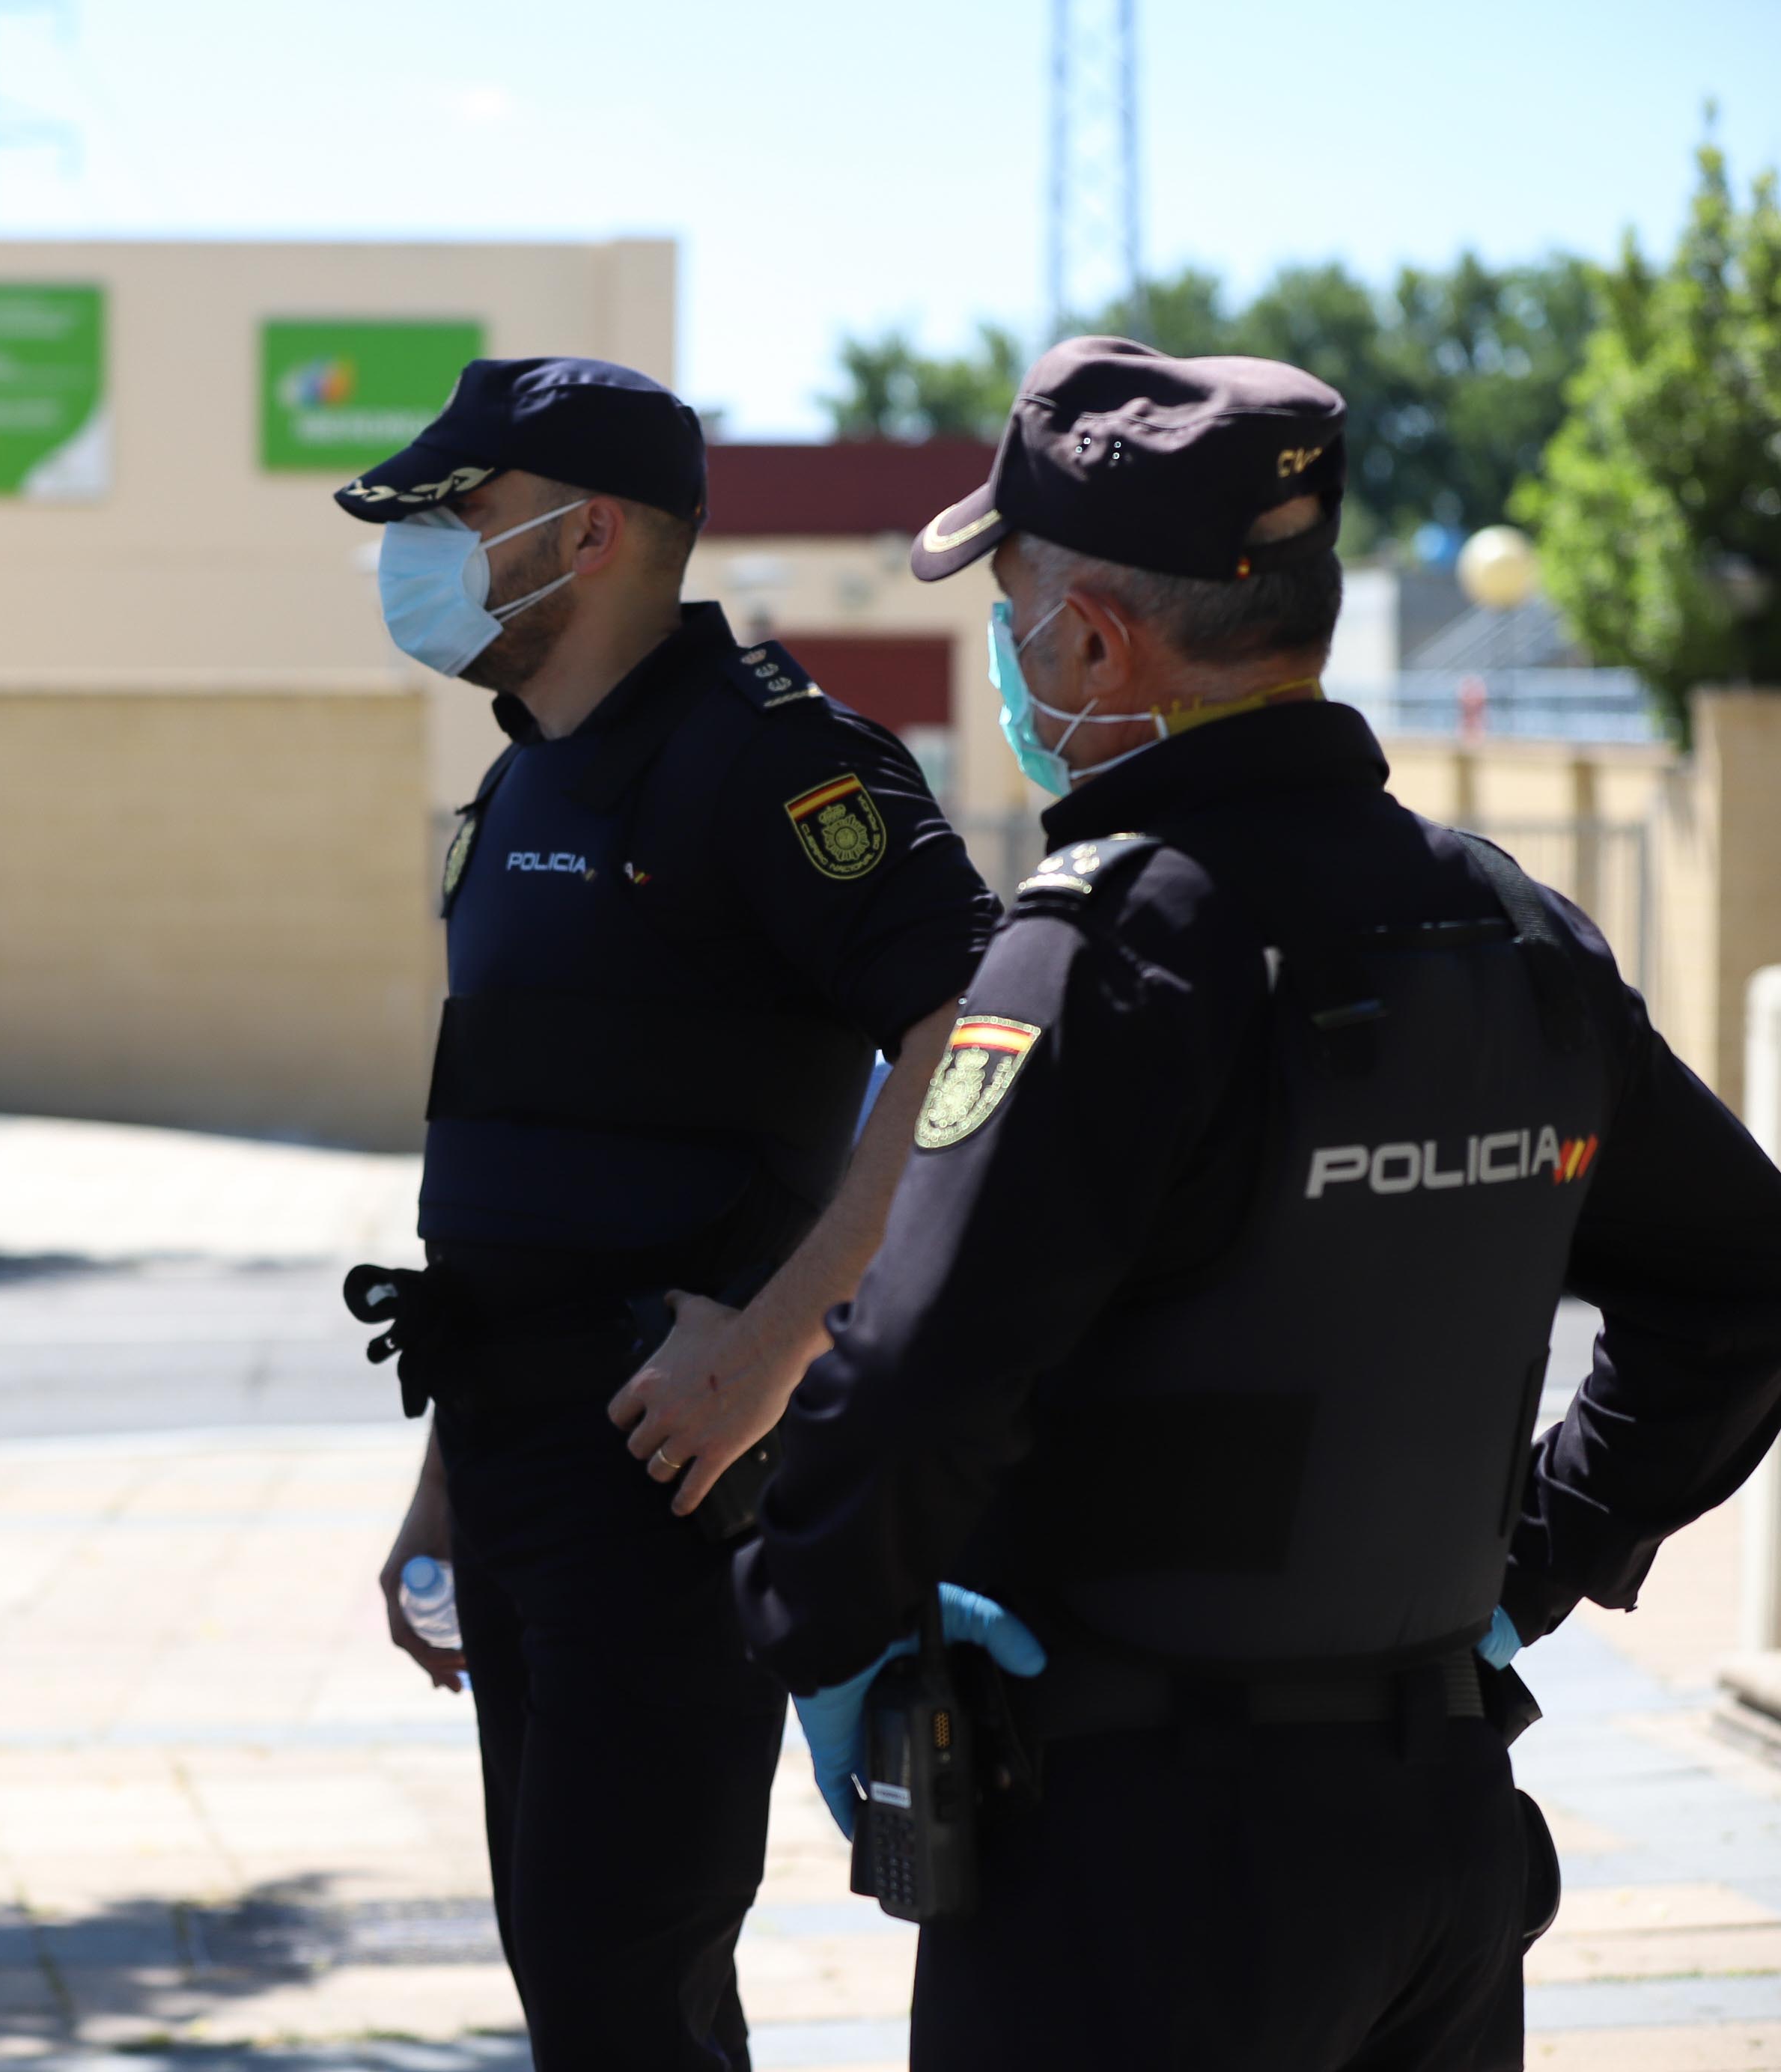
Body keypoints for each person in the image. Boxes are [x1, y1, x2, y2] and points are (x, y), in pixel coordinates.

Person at [734, 336, 1781, 2070]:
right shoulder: (1506, 930)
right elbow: (1743, 1283)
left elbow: (915, 1376)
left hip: (1132, 1857)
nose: (1005, 650)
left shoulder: (1113, 946)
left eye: (1009, 606)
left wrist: (812, 1630)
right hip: (1437, 1835)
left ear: (1090, 638)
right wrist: (1535, 1561)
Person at [337, 356, 996, 2068]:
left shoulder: (768, 761)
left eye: (463, 518)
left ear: (593, 534)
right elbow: (506, 1174)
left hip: (669, 1466)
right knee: (579, 1985)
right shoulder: (524, 780)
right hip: (517, 1457)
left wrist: (780, 1346)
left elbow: (977, 1028)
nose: (425, 560)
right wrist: (445, 1477)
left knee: (624, 1987)